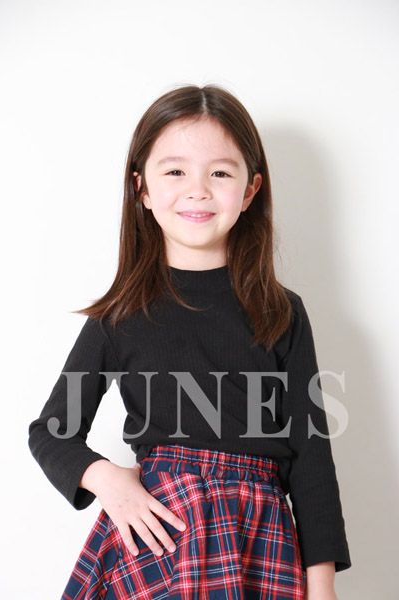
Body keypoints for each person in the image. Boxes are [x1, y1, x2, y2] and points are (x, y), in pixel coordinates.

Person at [28, 83, 351, 600]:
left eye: (219, 173)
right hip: (159, 537)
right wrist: (107, 479)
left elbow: (312, 461)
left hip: (257, 540)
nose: (197, 190)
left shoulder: (282, 313)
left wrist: (322, 587)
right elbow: (51, 432)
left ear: (250, 190)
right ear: (142, 188)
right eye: (175, 171)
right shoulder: (119, 316)